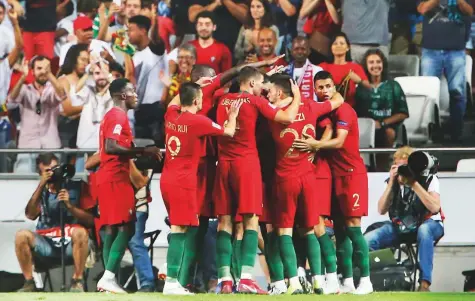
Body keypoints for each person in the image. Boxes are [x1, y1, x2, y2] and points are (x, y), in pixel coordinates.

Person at [213, 66, 301, 294]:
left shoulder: (221, 100)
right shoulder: (255, 102)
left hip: (223, 165)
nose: (263, 88)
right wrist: (297, 94)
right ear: (252, 84)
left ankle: (224, 279)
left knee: (225, 221)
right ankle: (246, 277)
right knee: (251, 220)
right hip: (246, 164)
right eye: (261, 83)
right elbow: (288, 117)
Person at [293, 70, 373, 295]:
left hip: (352, 174)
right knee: (339, 230)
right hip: (335, 176)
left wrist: (315, 145)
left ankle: (366, 280)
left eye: (328, 86)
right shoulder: (324, 112)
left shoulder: (345, 110)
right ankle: (346, 280)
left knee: (354, 229)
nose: (324, 91)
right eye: (320, 87)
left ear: (335, 87)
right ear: (315, 89)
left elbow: (339, 141)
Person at [161, 82, 241, 295]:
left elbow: (173, 102)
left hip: (167, 179)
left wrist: (192, 87)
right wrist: (232, 115)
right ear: (197, 101)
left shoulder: (171, 115)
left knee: (180, 228)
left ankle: (174, 280)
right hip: (183, 182)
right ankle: (171, 281)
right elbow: (229, 132)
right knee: (179, 230)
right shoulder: (198, 121)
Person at [266, 74, 343, 295]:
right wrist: (331, 90)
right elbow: (338, 101)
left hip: (285, 178)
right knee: (310, 229)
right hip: (309, 177)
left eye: (270, 90)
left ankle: (294, 282)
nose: (268, 94)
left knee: (284, 232)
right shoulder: (311, 107)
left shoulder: (274, 114)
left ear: (280, 93)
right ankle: (318, 281)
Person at [95, 78, 162, 293]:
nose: (136, 94)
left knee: (113, 229)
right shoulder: (118, 116)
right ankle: (108, 277)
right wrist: (143, 151)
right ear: (123, 96)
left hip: (109, 176)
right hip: (115, 177)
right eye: (132, 91)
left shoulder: (112, 115)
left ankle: (107, 282)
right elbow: (111, 147)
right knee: (128, 226)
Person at [364, 146, 444, 292]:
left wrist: (413, 183)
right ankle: (374, 279)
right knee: (368, 240)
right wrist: (390, 184)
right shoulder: (391, 182)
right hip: (400, 226)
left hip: (428, 223)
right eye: (399, 167)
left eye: (405, 167)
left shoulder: (429, 179)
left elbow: (434, 208)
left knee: (425, 230)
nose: (403, 171)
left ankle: (424, 284)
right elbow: (381, 209)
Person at [15, 153, 91, 293]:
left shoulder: (77, 187)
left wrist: (70, 207)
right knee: (21, 235)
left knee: (81, 232)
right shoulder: (41, 192)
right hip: (46, 243)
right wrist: (41, 185)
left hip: (71, 241)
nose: (53, 173)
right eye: (47, 171)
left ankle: (77, 281)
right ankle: (29, 282)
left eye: (55, 168)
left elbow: (91, 220)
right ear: (41, 174)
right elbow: (30, 215)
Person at [418, 0, 473, 144]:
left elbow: (470, 11)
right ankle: (431, 131)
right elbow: (422, 9)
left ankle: (457, 132)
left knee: (457, 92)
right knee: (428, 94)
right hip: (431, 50)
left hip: (456, 50)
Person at [7, 56, 68, 172]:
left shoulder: (52, 89)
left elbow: (62, 95)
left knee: (53, 183)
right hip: (27, 146)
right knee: (23, 182)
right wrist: (22, 78)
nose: (43, 71)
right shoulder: (25, 89)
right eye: (39, 68)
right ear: (32, 71)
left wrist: (50, 75)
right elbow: (11, 100)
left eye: (46, 68)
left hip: (51, 145)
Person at [355, 49, 409, 170]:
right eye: (371, 62)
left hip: (387, 126)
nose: (375, 65)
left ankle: (382, 170)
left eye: (378, 62)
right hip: (365, 128)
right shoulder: (360, 87)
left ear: (383, 64)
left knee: (388, 133)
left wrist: (382, 123)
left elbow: (403, 113)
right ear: (366, 65)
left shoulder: (393, 85)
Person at [127, 14, 168, 145]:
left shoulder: (156, 49)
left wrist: (155, 23)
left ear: (143, 30)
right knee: (141, 151)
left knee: (157, 151)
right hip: (139, 109)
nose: (128, 34)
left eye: (131, 30)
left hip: (156, 109)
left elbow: (155, 38)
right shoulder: (135, 56)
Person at [319, 32, 371, 108]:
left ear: (348, 47)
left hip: (349, 108)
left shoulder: (355, 67)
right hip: (326, 108)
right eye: (335, 43)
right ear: (331, 47)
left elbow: (369, 87)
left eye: (342, 43)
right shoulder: (322, 67)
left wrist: (359, 81)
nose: (338, 46)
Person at [288, 36, 323, 101]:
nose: (299, 52)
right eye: (296, 49)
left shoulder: (318, 71)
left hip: (311, 110)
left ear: (309, 51)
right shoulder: (284, 71)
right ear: (291, 51)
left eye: (303, 49)